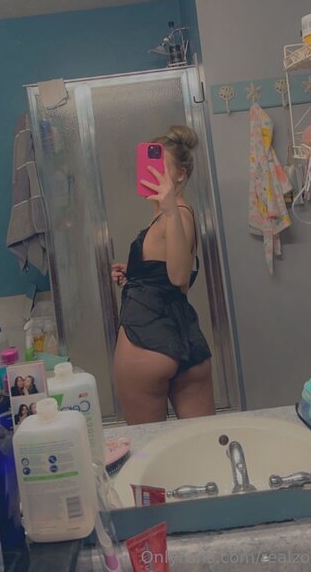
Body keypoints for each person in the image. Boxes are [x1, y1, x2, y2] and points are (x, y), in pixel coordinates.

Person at [112, 125, 215, 425]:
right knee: (202, 439)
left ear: (180, 175)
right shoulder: (172, 214)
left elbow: (180, 278)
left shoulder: (177, 213)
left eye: (160, 167)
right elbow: (166, 271)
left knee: (149, 444)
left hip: (144, 342)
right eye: (149, 165)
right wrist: (134, 273)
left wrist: (169, 210)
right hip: (185, 339)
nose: (151, 173)